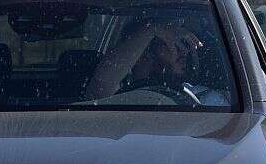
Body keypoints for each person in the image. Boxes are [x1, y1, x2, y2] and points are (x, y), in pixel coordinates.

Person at [84, 18, 225, 106]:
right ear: (141, 55)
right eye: (172, 43)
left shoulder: (205, 98)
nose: (184, 51)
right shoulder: (115, 98)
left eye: (183, 44)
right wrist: (152, 30)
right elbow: (99, 88)